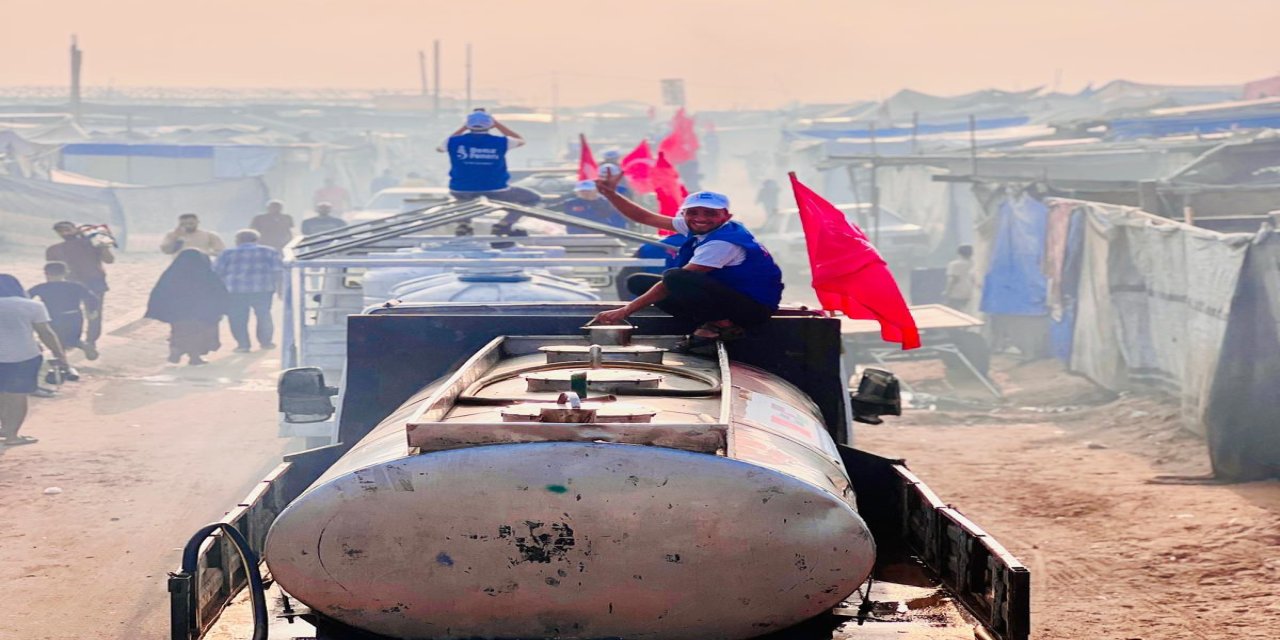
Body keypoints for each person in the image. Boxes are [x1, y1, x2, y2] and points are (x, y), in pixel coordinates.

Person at [591, 174, 784, 354]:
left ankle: (724, 325)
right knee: (638, 282)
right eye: (693, 212)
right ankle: (711, 321)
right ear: (685, 214)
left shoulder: (723, 242)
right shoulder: (699, 225)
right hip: (730, 295)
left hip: (753, 308)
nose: (700, 218)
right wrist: (611, 194)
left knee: (675, 277)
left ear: (726, 216)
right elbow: (645, 218)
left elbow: (672, 282)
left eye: (710, 213)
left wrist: (626, 311)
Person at [0, 274, 68, 447]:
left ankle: (4, 428)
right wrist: (60, 355)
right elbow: (46, 333)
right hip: (24, 356)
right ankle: (12, 435)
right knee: (17, 396)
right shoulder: (33, 306)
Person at [438, 111, 540, 206]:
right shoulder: (501, 141)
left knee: (463, 202)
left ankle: (463, 223)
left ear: (468, 125)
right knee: (532, 198)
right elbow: (520, 140)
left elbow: (440, 149)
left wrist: (463, 128)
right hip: (495, 188)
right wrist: (498, 125)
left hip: (460, 188)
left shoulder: (453, 141)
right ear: (489, 125)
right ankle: (505, 223)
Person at [146, 249, 228, 366]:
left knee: (179, 331)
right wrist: (222, 308)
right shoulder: (207, 274)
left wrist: (161, 308)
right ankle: (194, 357)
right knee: (198, 333)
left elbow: (160, 292)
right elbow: (219, 292)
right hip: (201, 311)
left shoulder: (172, 274)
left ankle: (176, 349)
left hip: (177, 311)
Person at [45, 221, 112, 359]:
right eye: (61, 231)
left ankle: (90, 341)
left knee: (94, 313)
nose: (65, 233)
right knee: (74, 314)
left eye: (67, 230)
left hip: (93, 281)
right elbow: (52, 272)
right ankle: (76, 342)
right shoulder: (54, 250)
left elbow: (109, 259)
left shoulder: (93, 243)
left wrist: (104, 246)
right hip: (71, 283)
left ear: (75, 229)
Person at [215, 229, 283, 352]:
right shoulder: (269, 251)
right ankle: (266, 342)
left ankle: (243, 345)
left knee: (237, 317)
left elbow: (217, 272)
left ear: (237, 241)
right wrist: (280, 289)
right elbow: (277, 271)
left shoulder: (227, 253)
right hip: (263, 289)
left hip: (235, 290)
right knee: (263, 315)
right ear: (256, 240)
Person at [27, 262, 99, 359]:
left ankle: (61, 360)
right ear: (66, 273)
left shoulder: (41, 287)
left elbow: (25, 298)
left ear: (46, 274)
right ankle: (83, 345)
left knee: (54, 339)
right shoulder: (76, 286)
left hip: (52, 317)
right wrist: (92, 311)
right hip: (74, 316)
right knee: (73, 338)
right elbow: (93, 298)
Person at [558, 180, 628, 234]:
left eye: (588, 191)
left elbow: (618, 222)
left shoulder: (606, 203)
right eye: (582, 191)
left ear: (595, 190)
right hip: (576, 237)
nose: (585, 193)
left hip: (603, 237)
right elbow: (550, 211)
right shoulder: (570, 203)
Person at [160, 213, 225, 257]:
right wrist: (175, 237)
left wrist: (203, 254)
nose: (187, 226)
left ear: (197, 222)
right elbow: (166, 251)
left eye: (191, 223)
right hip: (180, 266)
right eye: (183, 224)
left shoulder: (209, 235)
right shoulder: (171, 235)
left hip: (202, 264)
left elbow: (221, 252)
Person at [944, 245, 976, 311]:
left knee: (953, 312)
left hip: (956, 294)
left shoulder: (954, 264)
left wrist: (947, 292)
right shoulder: (974, 264)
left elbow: (952, 280)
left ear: (958, 253)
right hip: (969, 293)